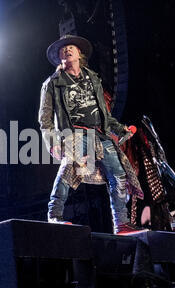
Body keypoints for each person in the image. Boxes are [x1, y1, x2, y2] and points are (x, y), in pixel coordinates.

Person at [39, 34, 145, 235]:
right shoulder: (53, 83)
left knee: (119, 176)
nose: (67, 50)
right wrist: (52, 142)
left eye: (70, 47)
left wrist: (121, 129)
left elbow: (104, 114)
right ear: (59, 57)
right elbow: (44, 119)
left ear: (79, 53)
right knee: (67, 171)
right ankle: (54, 216)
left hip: (100, 135)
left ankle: (121, 223)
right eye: (63, 49)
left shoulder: (93, 78)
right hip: (75, 135)